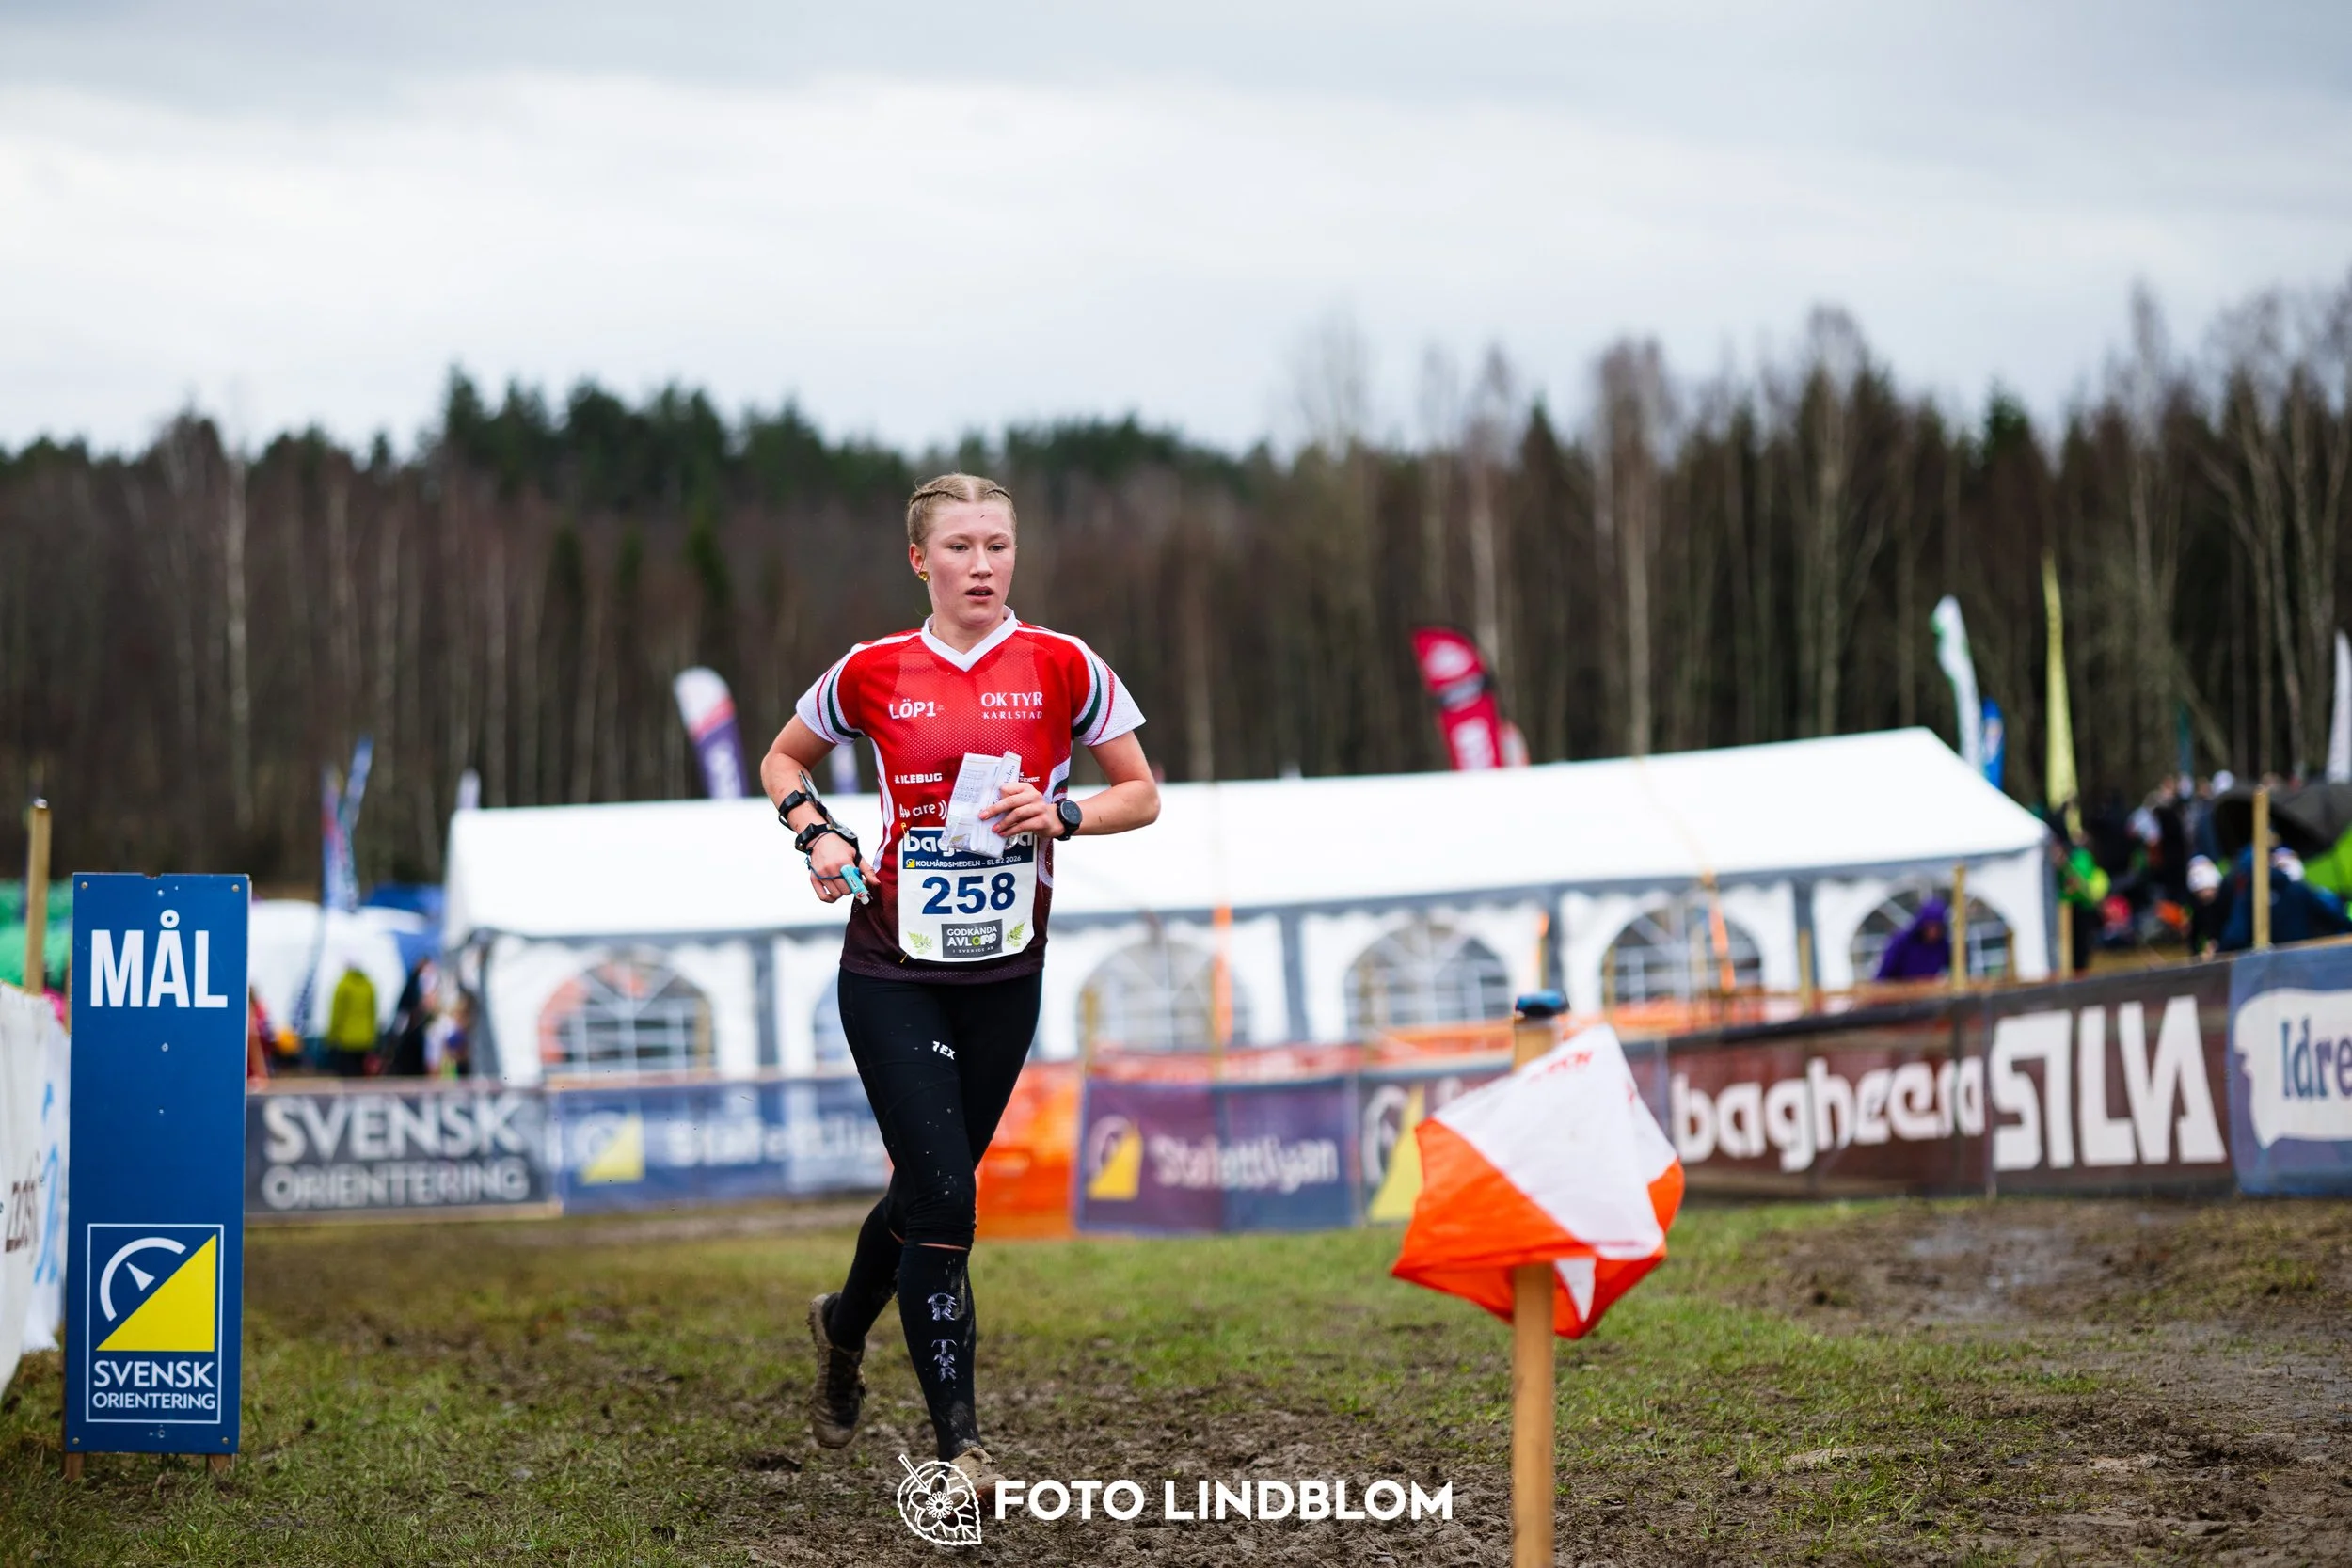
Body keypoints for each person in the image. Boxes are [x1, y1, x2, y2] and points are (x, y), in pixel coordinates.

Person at [759, 472, 1160, 1502]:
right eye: (961, 548)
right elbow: (782, 757)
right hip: (890, 965)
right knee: (947, 1195)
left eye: (998, 546)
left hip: (1005, 971)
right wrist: (818, 832)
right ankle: (962, 1449)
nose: (982, 565)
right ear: (919, 560)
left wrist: (1063, 815)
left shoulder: (1063, 664)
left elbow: (1141, 791)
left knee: (923, 1191)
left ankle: (841, 1328)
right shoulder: (874, 670)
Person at [1873, 896, 1951, 982]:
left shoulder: (1942, 946)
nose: (1933, 931)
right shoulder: (1902, 941)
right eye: (1930, 926)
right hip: (1898, 990)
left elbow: (1953, 967)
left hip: (1926, 991)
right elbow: (1885, 970)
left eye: (1937, 927)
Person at [324, 963, 379, 1076]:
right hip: (365, 1038)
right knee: (361, 1075)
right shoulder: (369, 985)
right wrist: (373, 1036)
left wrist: (331, 1037)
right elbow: (373, 1013)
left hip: (346, 1039)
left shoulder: (343, 985)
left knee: (347, 1076)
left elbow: (337, 1014)